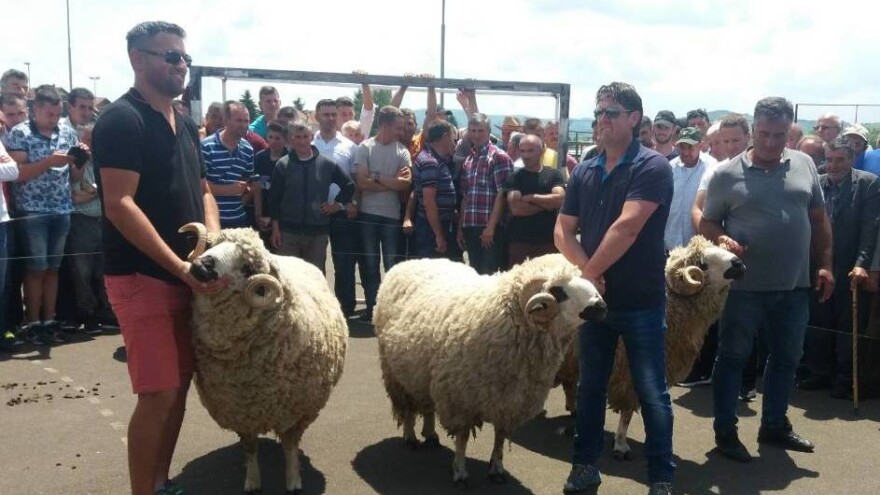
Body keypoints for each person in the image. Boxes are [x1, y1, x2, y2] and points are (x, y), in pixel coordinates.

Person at [92, 21, 227, 495]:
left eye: (183, 58)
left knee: (179, 387)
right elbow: (119, 204)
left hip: (185, 275)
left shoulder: (185, 122)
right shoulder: (121, 121)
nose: (180, 65)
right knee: (159, 393)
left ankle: (160, 482)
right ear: (138, 59)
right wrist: (180, 267)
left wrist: (210, 237)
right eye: (169, 57)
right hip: (142, 276)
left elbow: (204, 190)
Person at [556, 82, 674, 495]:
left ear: (634, 118)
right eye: (599, 112)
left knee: (651, 391)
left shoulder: (652, 167)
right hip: (596, 304)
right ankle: (584, 466)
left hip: (639, 300)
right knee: (590, 387)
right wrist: (589, 273)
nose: (602, 120)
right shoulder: (586, 169)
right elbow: (562, 230)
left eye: (611, 112)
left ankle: (661, 476)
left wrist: (588, 273)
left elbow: (627, 227)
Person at [701, 96, 831, 462]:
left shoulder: (804, 163)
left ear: (789, 132)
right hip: (744, 290)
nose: (771, 143)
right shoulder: (727, 174)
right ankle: (725, 431)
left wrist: (826, 264)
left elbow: (819, 220)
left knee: (787, 358)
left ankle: (774, 425)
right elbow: (708, 221)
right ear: (752, 130)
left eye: (778, 135)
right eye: (764, 134)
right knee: (733, 358)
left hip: (794, 287)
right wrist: (721, 238)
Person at [799, 138, 880, 399]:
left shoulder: (867, 183)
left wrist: (861, 265)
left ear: (852, 158)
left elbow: (871, 229)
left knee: (847, 326)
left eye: (840, 160)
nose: (833, 165)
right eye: (829, 159)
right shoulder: (817, 184)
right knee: (819, 321)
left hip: (850, 266)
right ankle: (818, 372)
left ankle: (845, 379)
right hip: (819, 264)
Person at [6, 84, 84, 345]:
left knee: (53, 268)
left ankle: (49, 320)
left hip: (61, 208)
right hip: (32, 211)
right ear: (35, 109)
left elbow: (74, 176)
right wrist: (49, 161)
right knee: (35, 268)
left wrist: (80, 161)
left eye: (56, 113)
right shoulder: (20, 134)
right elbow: (18, 174)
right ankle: (32, 322)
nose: (53, 119)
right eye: (49, 114)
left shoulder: (67, 132)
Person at [269, 122, 355, 272]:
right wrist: (275, 229)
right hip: (288, 232)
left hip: (317, 233)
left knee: (315, 278)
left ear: (311, 138)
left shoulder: (326, 164)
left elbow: (349, 185)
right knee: (288, 277)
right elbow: (274, 199)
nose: (302, 141)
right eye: (297, 137)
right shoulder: (282, 165)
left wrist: (337, 204)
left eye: (305, 137)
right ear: (291, 139)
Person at [354, 106, 412, 320]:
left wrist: (376, 177)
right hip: (368, 214)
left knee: (391, 265)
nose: (401, 132)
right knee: (369, 264)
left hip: (391, 216)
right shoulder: (365, 148)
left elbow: (405, 184)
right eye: (398, 127)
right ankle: (372, 308)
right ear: (385, 125)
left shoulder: (403, 151)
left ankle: (391, 310)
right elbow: (361, 182)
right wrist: (391, 182)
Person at [458, 113, 513, 275]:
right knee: (475, 274)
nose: (476, 135)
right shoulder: (469, 160)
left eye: (480, 130)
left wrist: (491, 227)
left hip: (490, 228)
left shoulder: (498, 157)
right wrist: (461, 227)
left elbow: (502, 194)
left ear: (488, 131)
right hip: (471, 225)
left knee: (490, 274)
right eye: (473, 131)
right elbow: (465, 196)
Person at [504, 134, 565, 266]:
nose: (526, 155)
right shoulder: (515, 176)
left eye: (530, 150)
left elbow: (560, 199)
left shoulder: (554, 175)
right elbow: (516, 208)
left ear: (542, 150)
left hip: (548, 242)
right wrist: (546, 205)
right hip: (520, 243)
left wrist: (532, 198)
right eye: (522, 151)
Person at [201, 101, 255, 228]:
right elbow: (198, 186)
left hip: (238, 222)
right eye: (238, 120)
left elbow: (246, 186)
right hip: (211, 223)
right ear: (226, 121)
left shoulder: (248, 150)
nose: (243, 125)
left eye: (246, 121)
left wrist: (237, 205)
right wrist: (229, 190)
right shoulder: (206, 147)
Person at [412, 121, 459, 258]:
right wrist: (439, 235)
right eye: (453, 138)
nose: (454, 143)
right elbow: (429, 201)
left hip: (438, 224)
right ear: (445, 136)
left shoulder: (438, 160)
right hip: (431, 228)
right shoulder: (429, 162)